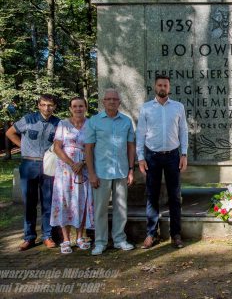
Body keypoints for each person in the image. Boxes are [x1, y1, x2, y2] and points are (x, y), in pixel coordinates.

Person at [136, 75, 188, 249]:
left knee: (175, 196)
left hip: (173, 155)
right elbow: (140, 134)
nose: (162, 87)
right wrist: (141, 158)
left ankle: (176, 234)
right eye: (160, 85)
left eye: (165, 85)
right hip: (152, 156)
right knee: (152, 196)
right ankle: (151, 234)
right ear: (155, 87)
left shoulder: (178, 107)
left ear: (169, 87)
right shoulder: (146, 108)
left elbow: (183, 132)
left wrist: (184, 154)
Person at [6, 94, 60, 251]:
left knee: (48, 202)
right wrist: (22, 146)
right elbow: (10, 133)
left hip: (49, 165)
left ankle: (47, 236)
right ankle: (29, 237)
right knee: (29, 202)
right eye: (43, 105)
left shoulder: (58, 123)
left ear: (54, 106)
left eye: (50, 105)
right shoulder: (28, 119)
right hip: (29, 164)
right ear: (38, 105)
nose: (46, 108)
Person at [84, 89, 136, 255]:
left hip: (121, 171)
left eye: (115, 99)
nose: (112, 102)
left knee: (121, 208)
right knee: (100, 209)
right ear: (103, 102)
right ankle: (100, 242)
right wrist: (91, 173)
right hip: (101, 172)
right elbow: (88, 148)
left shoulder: (126, 121)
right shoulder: (94, 121)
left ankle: (120, 239)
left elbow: (130, 147)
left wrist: (130, 170)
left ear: (119, 102)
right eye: (108, 99)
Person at [50, 97, 94, 254]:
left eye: (81, 106)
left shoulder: (91, 124)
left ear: (86, 107)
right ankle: (66, 239)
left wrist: (81, 162)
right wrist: (71, 163)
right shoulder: (63, 124)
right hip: (65, 169)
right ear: (70, 108)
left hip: (84, 167)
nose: (78, 109)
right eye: (75, 106)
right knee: (65, 202)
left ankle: (81, 236)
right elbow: (57, 147)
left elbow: (94, 146)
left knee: (82, 201)